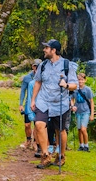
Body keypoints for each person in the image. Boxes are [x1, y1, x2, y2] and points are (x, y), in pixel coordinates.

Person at [30, 39, 78, 169]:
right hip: (43, 101)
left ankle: (61, 155)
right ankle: (45, 155)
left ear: (53, 50)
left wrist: (66, 85)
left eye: (47, 48)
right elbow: (38, 82)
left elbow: (75, 85)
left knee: (60, 130)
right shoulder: (43, 65)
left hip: (60, 103)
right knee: (39, 125)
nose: (44, 50)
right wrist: (33, 100)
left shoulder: (67, 66)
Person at [20, 59, 42, 151]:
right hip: (28, 104)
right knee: (27, 125)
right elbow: (23, 91)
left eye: (38, 67)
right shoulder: (27, 78)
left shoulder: (42, 78)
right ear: (33, 67)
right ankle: (28, 140)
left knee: (37, 125)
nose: (37, 68)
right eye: (35, 66)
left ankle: (35, 142)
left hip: (39, 104)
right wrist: (21, 104)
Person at [72, 72, 94, 152]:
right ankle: (81, 145)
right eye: (78, 80)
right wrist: (72, 106)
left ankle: (86, 145)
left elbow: (91, 101)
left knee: (83, 129)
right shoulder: (75, 90)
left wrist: (92, 114)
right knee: (79, 129)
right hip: (78, 112)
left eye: (81, 80)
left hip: (86, 111)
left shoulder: (87, 89)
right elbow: (72, 99)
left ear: (85, 80)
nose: (80, 81)